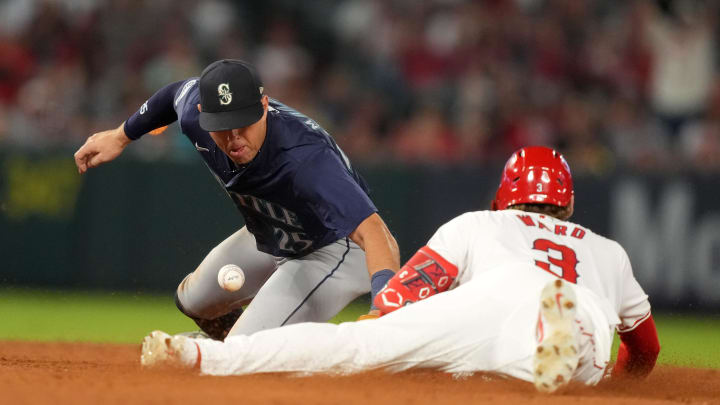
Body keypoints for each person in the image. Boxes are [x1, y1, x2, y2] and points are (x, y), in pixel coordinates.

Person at [139, 146, 660, 393]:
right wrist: (622, 383)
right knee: (571, 362)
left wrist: (381, 326)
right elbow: (646, 350)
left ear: (506, 196)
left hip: (489, 300)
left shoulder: (480, 223)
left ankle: (195, 354)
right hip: (576, 308)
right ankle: (560, 345)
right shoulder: (607, 251)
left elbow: (405, 290)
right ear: (567, 204)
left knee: (356, 348)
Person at [74, 59, 400, 339]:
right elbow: (176, 93)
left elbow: (375, 232)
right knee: (193, 301)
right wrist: (121, 135)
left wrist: (384, 304)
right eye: (222, 126)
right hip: (272, 235)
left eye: (243, 123)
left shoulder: (305, 158)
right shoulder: (194, 115)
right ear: (203, 114)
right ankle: (230, 353)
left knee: (245, 353)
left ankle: (281, 363)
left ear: (264, 105)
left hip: (331, 251)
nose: (234, 138)